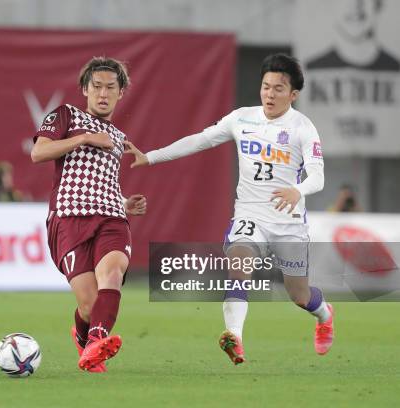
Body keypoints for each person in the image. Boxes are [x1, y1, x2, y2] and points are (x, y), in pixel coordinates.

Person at [125, 54, 334, 364]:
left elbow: (318, 176)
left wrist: (297, 189)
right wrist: (152, 156)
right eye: (266, 87)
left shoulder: (303, 128)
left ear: (293, 94)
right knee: (239, 263)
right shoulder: (242, 118)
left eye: (279, 89)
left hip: (289, 223)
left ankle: (325, 315)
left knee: (299, 296)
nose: (270, 94)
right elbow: (201, 140)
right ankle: (234, 336)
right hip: (249, 215)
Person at [31, 57, 147, 372]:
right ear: (85, 88)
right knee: (88, 304)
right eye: (97, 86)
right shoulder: (66, 115)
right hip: (68, 218)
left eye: (111, 87)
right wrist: (83, 138)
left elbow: (101, 182)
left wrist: (124, 204)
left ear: (121, 93)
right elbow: (38, 152)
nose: (103, 93)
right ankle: (86, 337)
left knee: (112, 275)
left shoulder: (119, 137)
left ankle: (97, 340)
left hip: (111, 218)